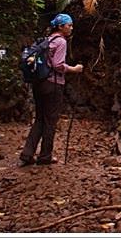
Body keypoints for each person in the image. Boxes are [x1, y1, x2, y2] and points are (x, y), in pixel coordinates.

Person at [19, 13, 83, 166]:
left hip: (39, 83)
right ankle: (45, 156)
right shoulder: (61, 41)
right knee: (50, 121)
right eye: (69, 25)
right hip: (53, 85)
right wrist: (74, 69)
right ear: (61, 26)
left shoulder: (47, 40)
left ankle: (27, 153)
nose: (71, 28)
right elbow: (58, 65)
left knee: (40, 119)